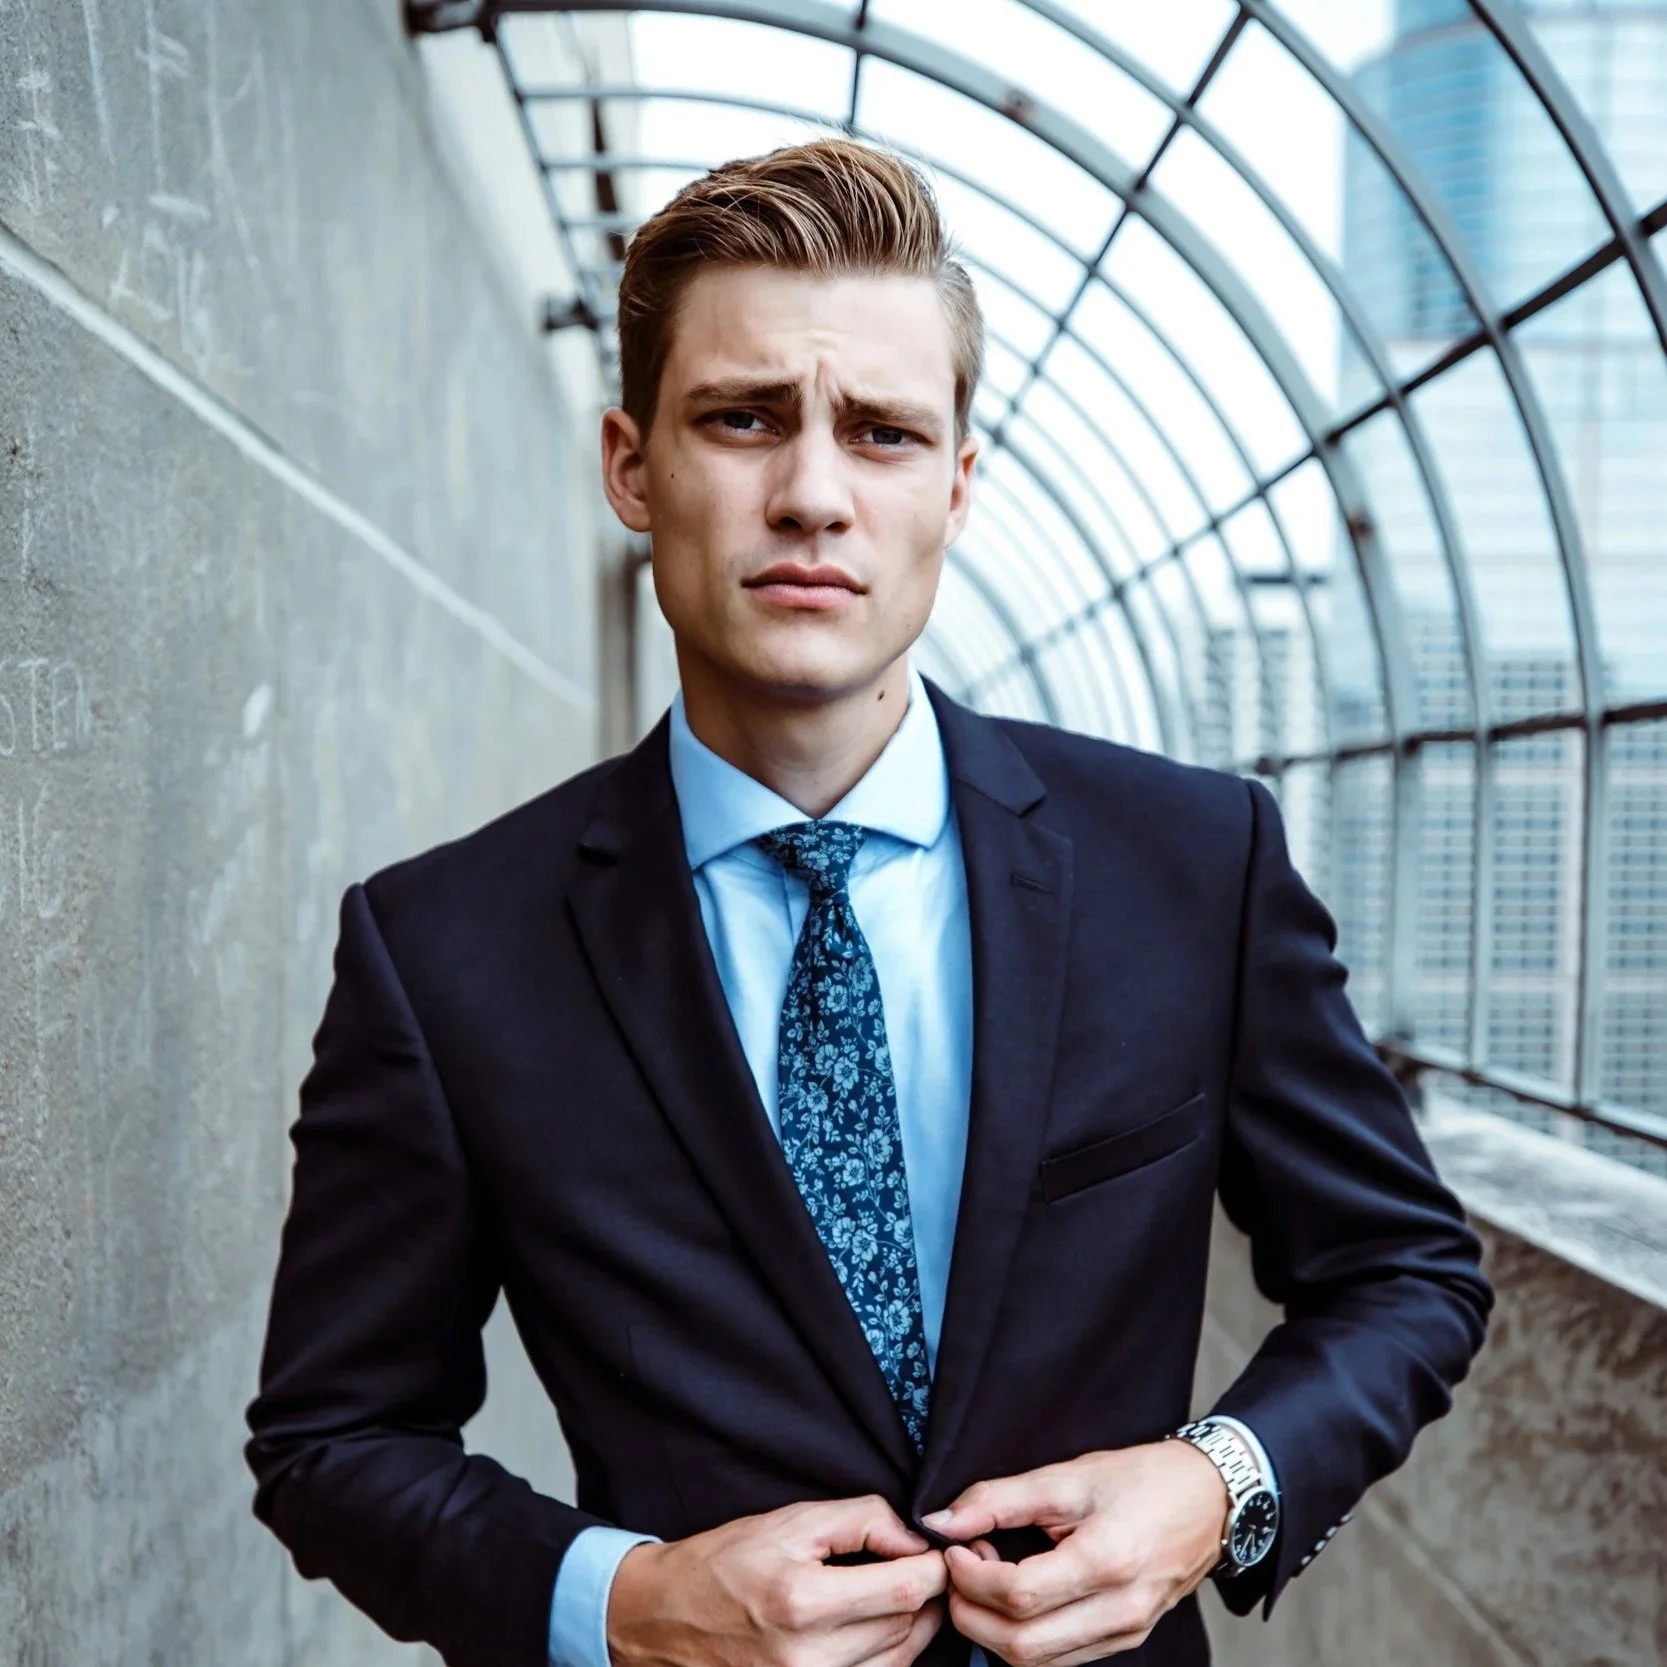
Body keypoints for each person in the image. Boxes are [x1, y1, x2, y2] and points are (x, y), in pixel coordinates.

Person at [245, 139, 1491, 1667]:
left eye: (884, 432)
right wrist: (623, 1602)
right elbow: (332, 1434)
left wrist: (1209, 1482)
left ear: (955, 486)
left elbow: (1402, 1271)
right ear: (631, 464)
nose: (814, 493)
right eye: (743, 417)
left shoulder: (1192, 862)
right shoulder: (441, 951)